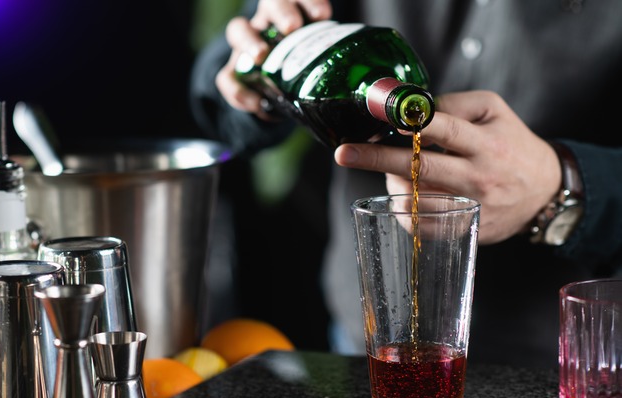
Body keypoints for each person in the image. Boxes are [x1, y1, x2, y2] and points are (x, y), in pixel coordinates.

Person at [190, 0, 622, 367]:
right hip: (363, 348)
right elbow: (221, 79)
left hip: (580, 362)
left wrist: (564, 184)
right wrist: (257, 81)